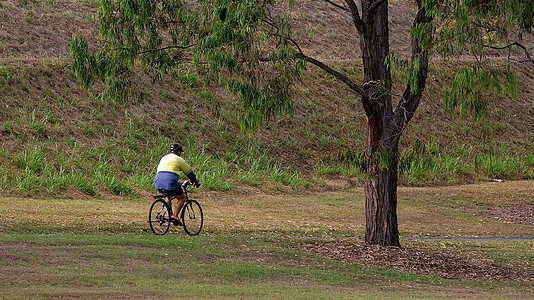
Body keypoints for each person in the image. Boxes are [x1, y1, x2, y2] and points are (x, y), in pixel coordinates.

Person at [155, 143, 199, 225]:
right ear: (178, 152)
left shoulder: (164, 157)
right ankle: (175, 216)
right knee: (182, 197)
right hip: (170, 181)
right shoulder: (179, 160)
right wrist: (195, 181)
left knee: (168, 195)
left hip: (158, 182)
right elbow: (189, 173)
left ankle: (168, 216)